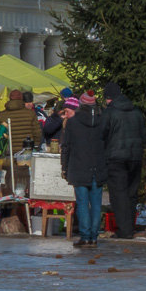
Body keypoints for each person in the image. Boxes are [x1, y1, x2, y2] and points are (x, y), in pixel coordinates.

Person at [61, 90, 107, 248]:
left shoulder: (73, 122)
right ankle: (94, 237)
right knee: (96, 203)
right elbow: (107, 145)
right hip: (98, 167)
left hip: (79, 166)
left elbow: (66, 147)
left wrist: (64, 167)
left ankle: (85, 236)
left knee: (82, 203)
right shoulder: (102, 121)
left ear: (81, 105)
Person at [100, 82, 146, 239]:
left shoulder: (109, 112)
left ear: (109, 98)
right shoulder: (137, 112)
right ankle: (130, 227)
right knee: (131, 193)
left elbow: (101, 134)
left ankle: (125, 230)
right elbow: (144, 136)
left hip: (115, 159)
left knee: (118, 194)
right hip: (135, 157)